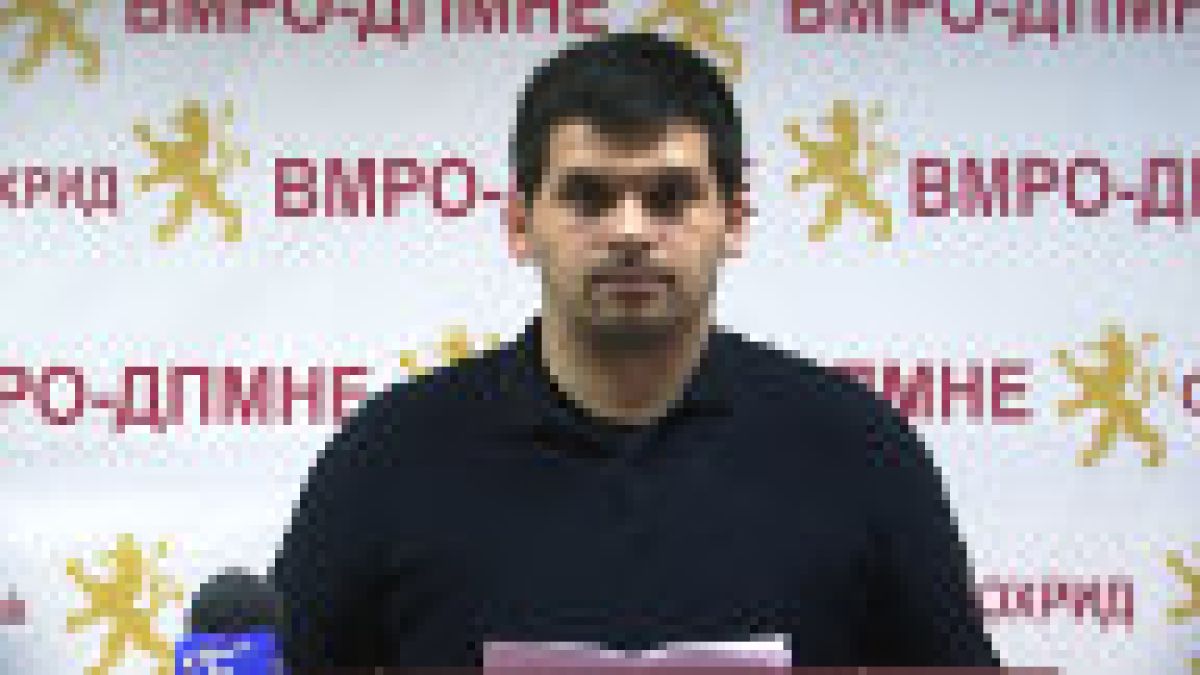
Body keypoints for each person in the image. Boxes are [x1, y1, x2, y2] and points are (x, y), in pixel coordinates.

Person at [271, 31, 1002, 670]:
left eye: (670, 197)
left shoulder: (857, 449)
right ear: (519, 224)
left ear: (735, 221)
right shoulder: (389, 455)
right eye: (588, 197)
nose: (629, 231)